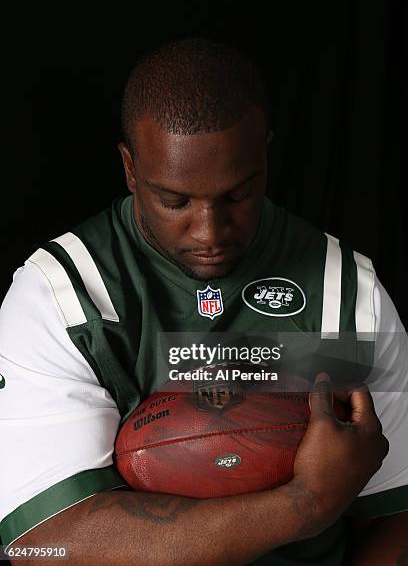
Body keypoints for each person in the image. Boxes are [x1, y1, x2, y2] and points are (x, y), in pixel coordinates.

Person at [0, 37, 406, 565]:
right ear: (129, 169)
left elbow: (395, 513)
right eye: (174, 201)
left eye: (236, 195)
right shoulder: (63, 295)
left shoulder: (346, 297)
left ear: (265, 154)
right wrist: (305, 504)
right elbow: (44, 544)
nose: (209, 231)